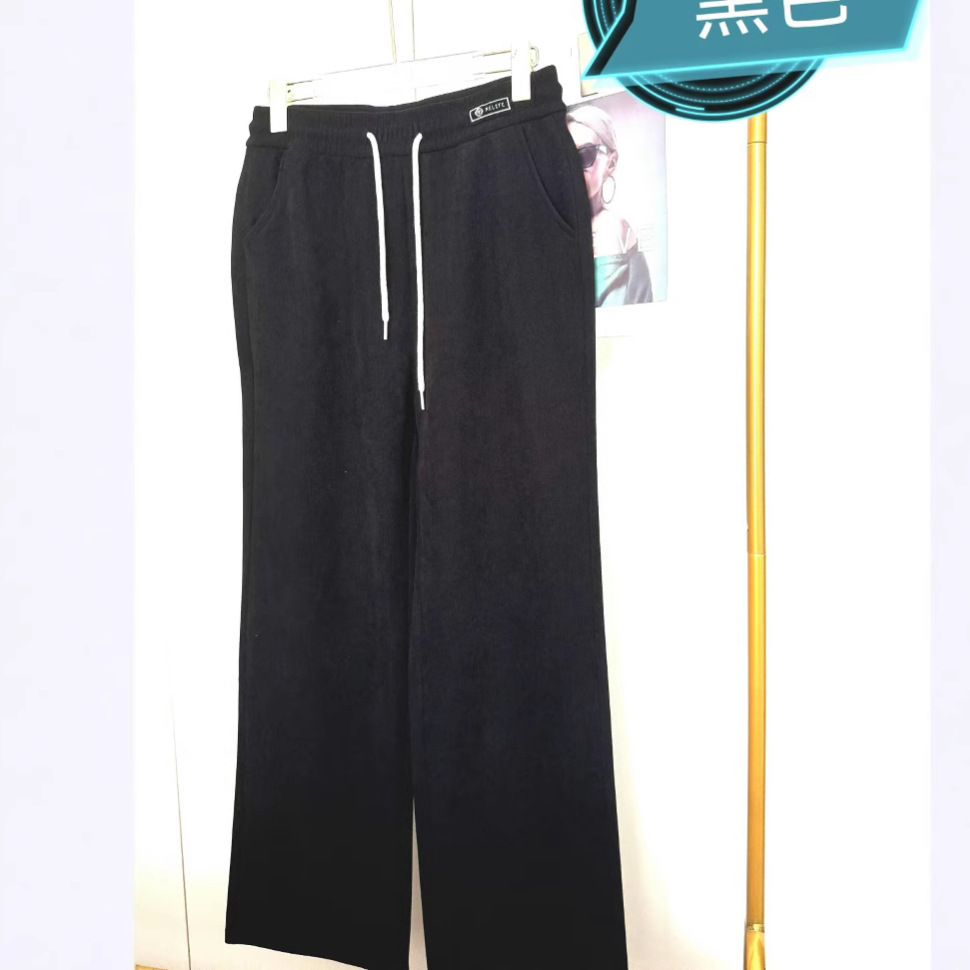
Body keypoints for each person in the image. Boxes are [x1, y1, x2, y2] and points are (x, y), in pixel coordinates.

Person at [566, 102, 653, 307]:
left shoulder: (610, 228)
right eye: (565, 156)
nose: (572, 168)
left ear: (611, 163)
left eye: (585, 154)